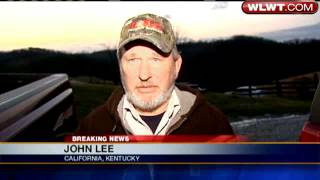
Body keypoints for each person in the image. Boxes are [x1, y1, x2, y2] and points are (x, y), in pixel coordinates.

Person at [76, 13, 234, 135]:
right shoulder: (93, 128)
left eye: (156, 59)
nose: (144, 74)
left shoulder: (212, 124)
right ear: (120, 67)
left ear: (176, 66)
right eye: (133, 59)